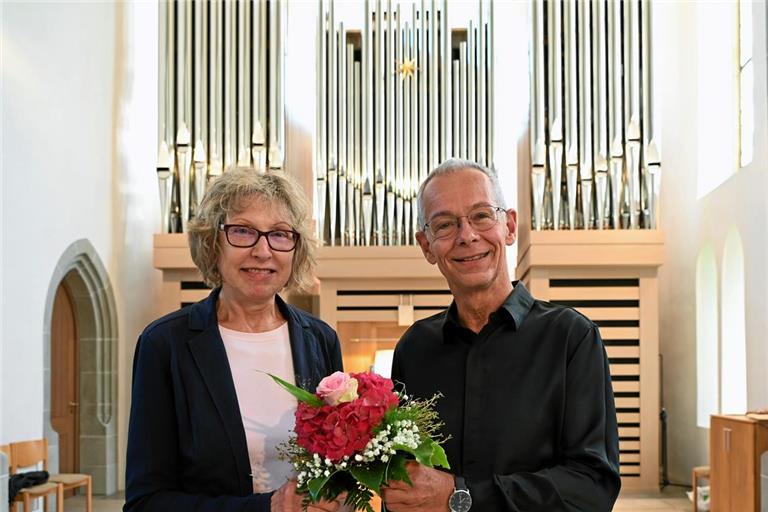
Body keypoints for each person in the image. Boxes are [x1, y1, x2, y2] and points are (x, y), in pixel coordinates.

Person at [382, 159, 621, 512]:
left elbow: (592, 486)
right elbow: (405, 479)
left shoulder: (571, 337)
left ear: (509, 227)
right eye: (445, 224)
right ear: (426, 245)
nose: (466, 236)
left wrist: (459, 497)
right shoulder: (414, 348)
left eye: (481, 216)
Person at [125, 168, 343, 512]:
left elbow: (337, 465)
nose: (262, 251)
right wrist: (267, 508)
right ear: (213, 243)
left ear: (296, 249)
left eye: (280, 234)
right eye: (243, 231)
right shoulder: (165, 344)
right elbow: (146, 502)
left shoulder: (320, 339)